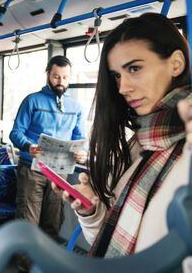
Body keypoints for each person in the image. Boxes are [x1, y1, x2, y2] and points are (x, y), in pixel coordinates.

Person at [54, 13, 191, 257]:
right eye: (117, 75)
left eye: (135, 68)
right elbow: (106, 241)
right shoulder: (136, 146)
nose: (122, 88)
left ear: (176, 63)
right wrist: (91, 212)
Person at [9, 55, 87, 240]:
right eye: (56, 77)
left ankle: (44, 266)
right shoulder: (32, 101)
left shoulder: (76, 107)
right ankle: (24, 268)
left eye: (65, 77)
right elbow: (15, 132)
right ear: (47, 75)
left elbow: (80, 137)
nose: (61, 82)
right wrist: (29, 146)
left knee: (53, 222)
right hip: (32, 169)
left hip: (60, 172)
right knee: (28, 222)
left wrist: (82, 153)